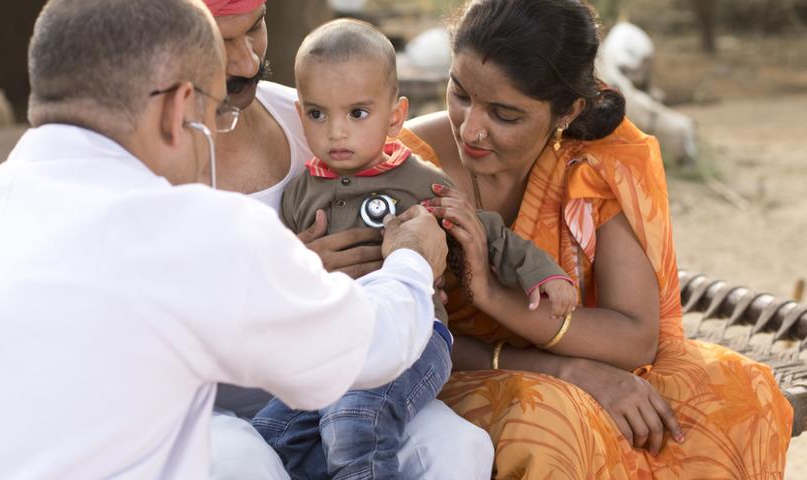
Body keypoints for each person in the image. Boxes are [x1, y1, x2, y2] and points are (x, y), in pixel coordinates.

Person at [0, 0, 451, 477]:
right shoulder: (189, 230)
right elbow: (371, 347)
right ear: (178, 110)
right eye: (215, 118)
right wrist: (411, 259)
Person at [395, 0, 795, 477]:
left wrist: (497, 299)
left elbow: (635, 337)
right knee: (550, 423)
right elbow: (394, 338)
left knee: (736, 392)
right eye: (460, 93)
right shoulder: (402, 169)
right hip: (443, 375)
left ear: (568, 111)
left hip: (581, 359)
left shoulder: (595, 161)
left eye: (504, 114)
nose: (471, 129)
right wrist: (568, 371)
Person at [249, 19, 576, 479]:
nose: (337, 132)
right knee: (268, 435)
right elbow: (281, 276)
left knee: (354, 422)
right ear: (301, 115)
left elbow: (485, 230)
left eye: (357, 113)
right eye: (319, 115)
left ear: (395, 116)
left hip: (415, 340)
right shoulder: (300, 193)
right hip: (332, 344)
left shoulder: (418, 181)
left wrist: (542, 272)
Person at [199, 1, 496, 479]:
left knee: (456, 448)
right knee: (245, 463)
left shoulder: (313, 119)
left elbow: (416, 210)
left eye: (254, 29)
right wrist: (290, 282)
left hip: (343, 373)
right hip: (203, 406)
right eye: (219, 41)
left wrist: (422, 263)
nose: (247, 60)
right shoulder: (139, 151)